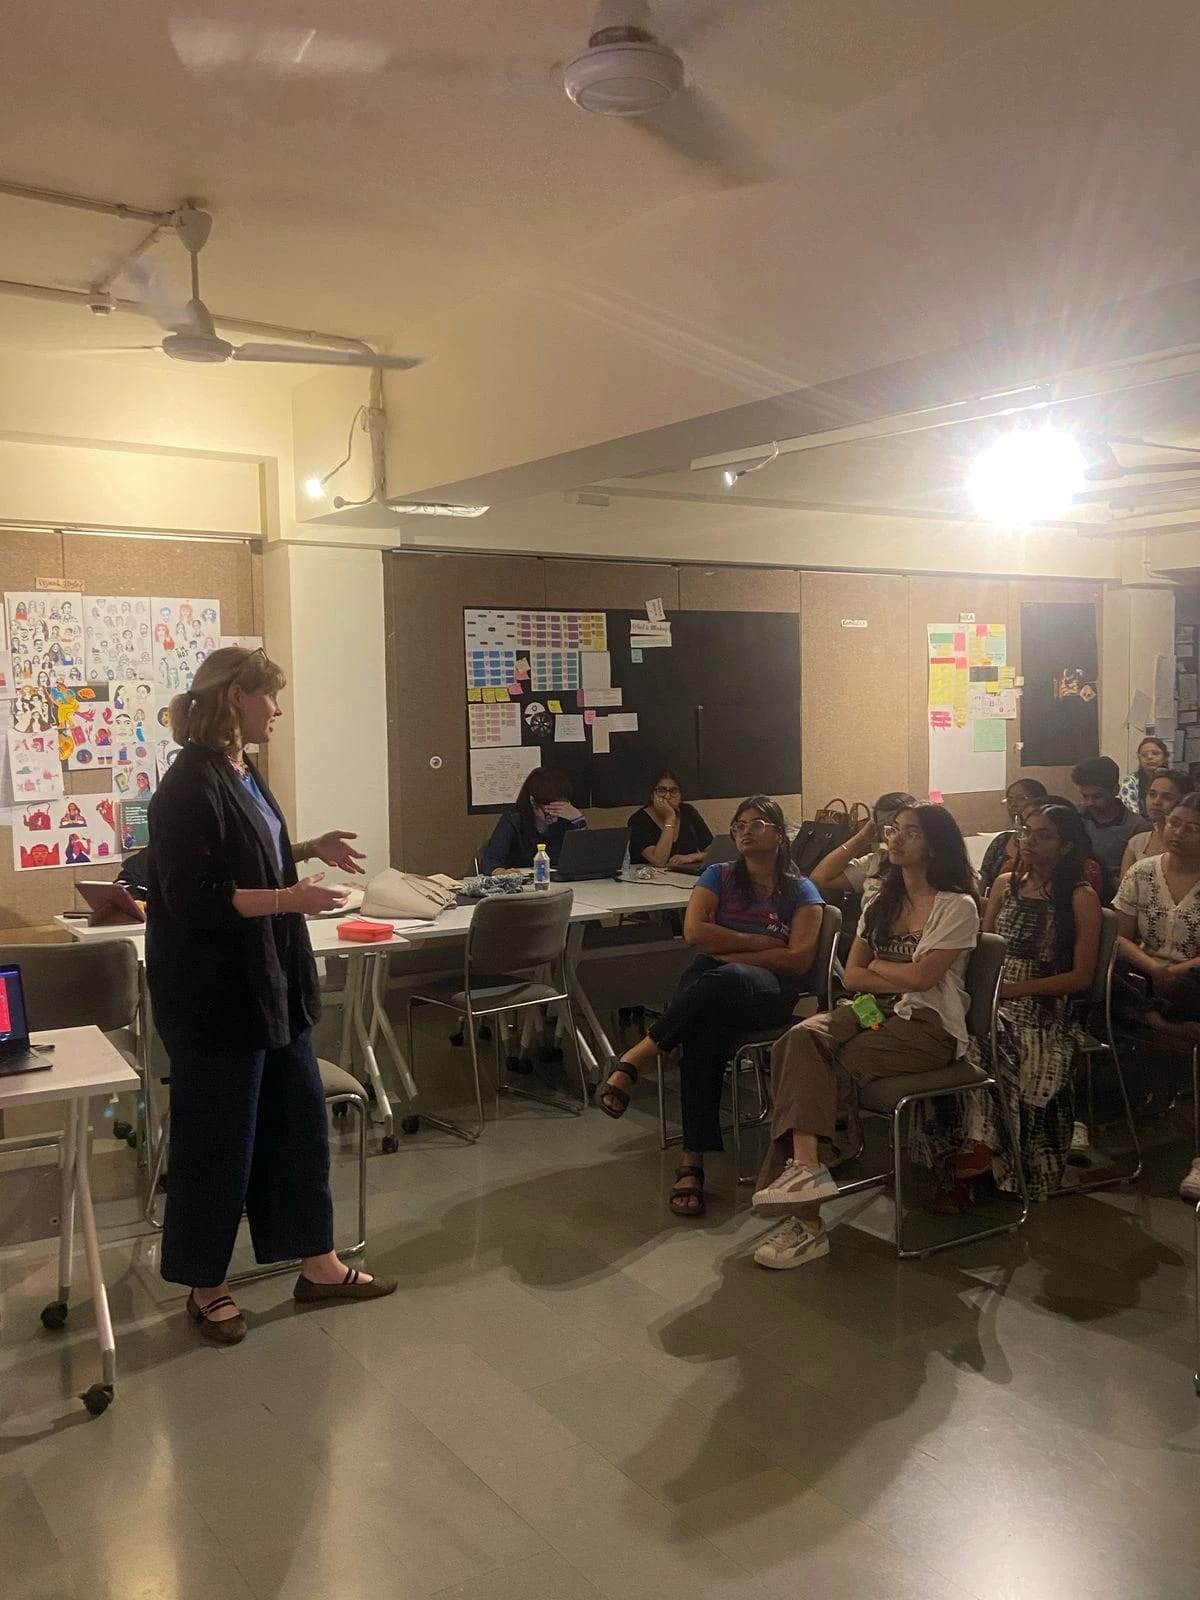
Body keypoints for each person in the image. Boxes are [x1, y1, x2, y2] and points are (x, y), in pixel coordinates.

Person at [146, 645, 393, 1344]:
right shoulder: (186, 785)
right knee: (219, 1141)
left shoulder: (241, 768)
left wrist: (308, 847)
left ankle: (317, 1262)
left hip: (273, 988)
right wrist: (291, 897)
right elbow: (192, 900)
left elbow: (248, 858)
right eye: (269, 698)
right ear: (234, 700)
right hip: (216, 1000)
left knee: (298, 1125)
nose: (278, 710)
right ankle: (207, 1284)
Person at [749, 803, 979, 1270]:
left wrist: (881, 968)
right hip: (873, 1010)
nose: (895, 838)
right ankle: (807, 1171)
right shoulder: (881, 902)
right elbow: (853, 977)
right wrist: (888, 973)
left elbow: (923, 980)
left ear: (934, 846)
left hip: (927, 1025)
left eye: (910, 833)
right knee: (797, 1041)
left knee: (822, 1072)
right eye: (894, 830)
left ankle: (806, 1221)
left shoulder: (958, 906)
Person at [596, 796, 823, 1217]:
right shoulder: (717, 875)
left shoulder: (801, 889)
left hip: (769, 995)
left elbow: (799, 960)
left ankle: (638, 1057)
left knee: (727, 978)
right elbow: (696, 933)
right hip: (715, 981)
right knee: (704, 1031)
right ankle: (691, 1161)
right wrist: (761, 943)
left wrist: (733, 954)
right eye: (739, 824)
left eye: (757, 823)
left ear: (780, 834)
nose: (745, 830)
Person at [933, 800, 1101, 1205]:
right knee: (961, 1035)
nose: (1028, 841)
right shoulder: (1005, 884)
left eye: (1043, 835)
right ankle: (979, 1154)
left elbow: (1082, 976)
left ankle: (978, 1154)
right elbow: (983, 947)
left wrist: (1014, 991)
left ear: (1065, 846)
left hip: (1044, 1010)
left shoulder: (1080, 897)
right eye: (1026, 831)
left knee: (987, 1042)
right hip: (994, 998)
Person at [1113, 791, 1200, 1200]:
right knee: (1107, 980)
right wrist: (1153, 969)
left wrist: (1175, 971)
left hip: (1191, 976)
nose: (1177, 832)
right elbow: (1119, 936)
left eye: (1191, 827)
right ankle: (1158, 1020)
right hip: (1144, 972)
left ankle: (1153, 1017)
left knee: (1187, 987)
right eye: (1174, 822)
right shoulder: (1142, 872)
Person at [809, 791, 916, 906]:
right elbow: (819, 878)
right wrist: (862, 837)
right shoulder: (876, 861)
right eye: (882, 825)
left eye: (895, 826)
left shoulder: (922, 869)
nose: (890, 834)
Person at [479, 766, 586, 874]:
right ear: (533, 802)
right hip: (522, 882)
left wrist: (578, 820)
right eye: (548, 811)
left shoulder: (566, 819)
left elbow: (585, 859)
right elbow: (490, 861)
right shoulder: (513, 820)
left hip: (559, 880)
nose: (554, 816)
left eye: (559, 809)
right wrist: (501, 872)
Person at [1072, 756, 1151, 900]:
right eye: (1085, 796)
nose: (1089, 803)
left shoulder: (1137, 827)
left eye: (1097, 796)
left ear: (1115, 789)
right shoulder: (1075, 816)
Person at [627, 770, 713, 869]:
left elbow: (715, 852)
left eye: (673, 791)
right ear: (652, 795)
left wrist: (692, 857)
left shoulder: (689, 812)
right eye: (661, 791)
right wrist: (669, 818)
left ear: (680, 796)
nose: (667, 796)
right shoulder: (639, 820)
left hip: (685, 876)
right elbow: (659, 861)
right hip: (649, 879)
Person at [977, 779, 1048, 895]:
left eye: (1022, 799)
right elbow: (984, 874)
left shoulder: (1045, 842)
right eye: (1010, 800)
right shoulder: (1002, 840)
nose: (1013, 804)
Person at [1118, 768, 1189, 878]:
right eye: (1152, 794)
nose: (1156, 802)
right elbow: (1125, 890)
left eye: (1167, 797)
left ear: (1183, 800)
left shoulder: (1192, 843)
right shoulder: (1137, 842)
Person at [1118, 736, 1171, 818]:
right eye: (1144, 755)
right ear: (1139, 759)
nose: (1149, 757)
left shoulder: (1175, 780)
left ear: (1165, 757)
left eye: (1155, 753)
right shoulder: (1131, 782)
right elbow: (1133, 817)